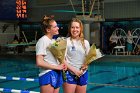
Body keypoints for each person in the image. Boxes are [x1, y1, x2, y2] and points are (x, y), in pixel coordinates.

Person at [36, 15, 66, 93]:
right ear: (48, 30)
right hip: (48, 74)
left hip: (57, 73)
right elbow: (39, 62)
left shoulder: (53, 41)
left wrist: (62, 65)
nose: (58, 28)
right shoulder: (43, 41)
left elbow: (54, 59)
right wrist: (56, 67)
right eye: (55, 27)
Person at [63, 18, 90, 93]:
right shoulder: (66, 41)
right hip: (70, 73)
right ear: (70, 29)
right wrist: (74, 70)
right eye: (72, 27)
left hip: (82, 73)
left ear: (80, 28)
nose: (75, 30)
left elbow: (88, 59)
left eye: (77, 27)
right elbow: (62, 60)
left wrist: (85, 66)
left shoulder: (85, 43)